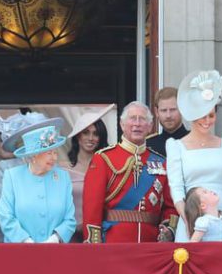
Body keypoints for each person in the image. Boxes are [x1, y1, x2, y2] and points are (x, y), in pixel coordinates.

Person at [82, 101, 177, 243]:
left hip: (150, 243)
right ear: (122, 124)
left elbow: (171, 206)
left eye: (142, 119)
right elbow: (92, 207)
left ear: (150, 126)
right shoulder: (103, 158)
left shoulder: (161, 162)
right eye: (132, 118)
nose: (137, 123)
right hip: (114, 243)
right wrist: (94, 244)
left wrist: (168, 229)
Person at [167, 70, 222, 241]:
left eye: (211, 115)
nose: (207, 121)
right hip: (192, 216)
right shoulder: (176, 146)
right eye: (202, 116)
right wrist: (188, 221)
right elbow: (176, 188)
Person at [0, 112, 62, 242]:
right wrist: (18, 228)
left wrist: (56, 236)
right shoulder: (7, 167)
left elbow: (66, 213)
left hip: (48, 244)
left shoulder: (56, 170)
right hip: (13, 243)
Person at [0, 124, 76, 243]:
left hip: (55, 253)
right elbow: (6, 216)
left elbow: (69, 219)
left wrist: (55, 239)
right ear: (34, 155)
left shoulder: (63, 177)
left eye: (55, 152)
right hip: (19, 252)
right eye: (49, 153)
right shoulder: (12, 176)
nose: (54, 158)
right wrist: (25, 240)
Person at [63, 105, 112, 240]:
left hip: (101, 235)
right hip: (70, 236)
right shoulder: (62, 170)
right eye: (86, 132)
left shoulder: (109, 168)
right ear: (78, 136)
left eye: (96, 134)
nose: (91, 138)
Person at [146, 86, 187, 157]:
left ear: (182, 109)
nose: (168, 115)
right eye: (164, 110)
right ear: (156, 112)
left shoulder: (195, 142)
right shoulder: (148, 146)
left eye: (173, 110)